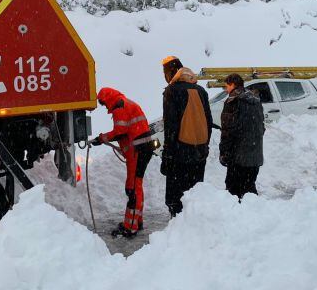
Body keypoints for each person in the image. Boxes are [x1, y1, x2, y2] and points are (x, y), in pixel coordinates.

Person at [90, 87, 159, 238]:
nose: (104, 106)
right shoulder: (126, 103)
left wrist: (101, 139)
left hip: (138, 150)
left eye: (103, 103)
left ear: (108, 98)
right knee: (137, 185)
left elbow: (120, 131)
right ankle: (136, 221)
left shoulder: (119, 107)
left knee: (132, 189)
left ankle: (130, 228)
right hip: (143, 148)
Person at [160, 56, 213, 216]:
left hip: (179, 155)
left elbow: (171, 126)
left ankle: (178, 233)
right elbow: (208, 121)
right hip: (200, 153)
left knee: (176, 199)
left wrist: (167, 154)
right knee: (194, 196)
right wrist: (204, 146)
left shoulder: (172, 91)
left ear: (170, 72)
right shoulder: (201, 91)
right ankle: (194, 230)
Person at [219, 73, 265, 200]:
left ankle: (235, 217)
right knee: (249, 189)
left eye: (226, 86)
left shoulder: (233, 101)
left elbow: (228, 131)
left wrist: (224, 152)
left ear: (232, 85)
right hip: (254, 156)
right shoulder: (256, 101)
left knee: (233, 191)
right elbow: (261, 127)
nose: (226, 89)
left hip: (238, 157)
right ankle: (255, 216)